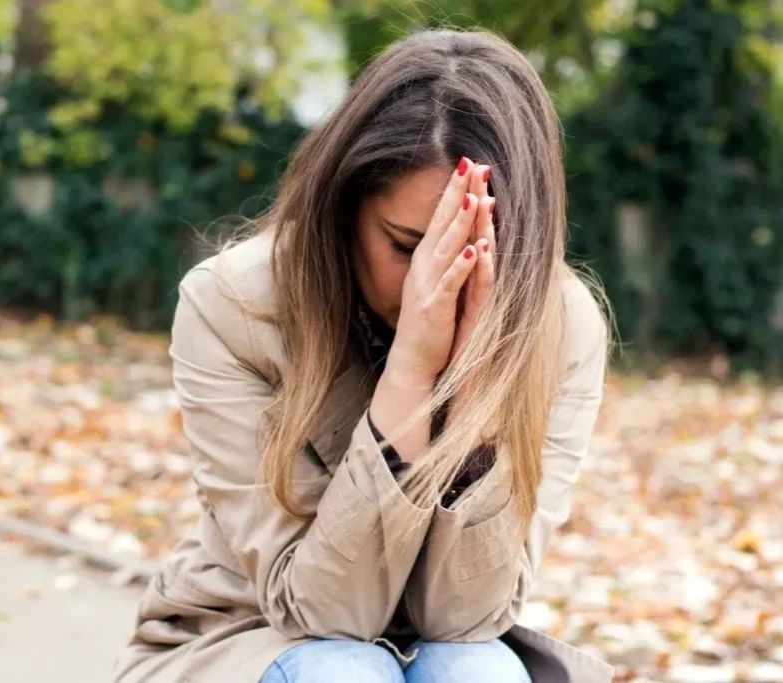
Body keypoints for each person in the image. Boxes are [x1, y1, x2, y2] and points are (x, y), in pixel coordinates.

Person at [113, 28, 613, 683]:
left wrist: (476, 388)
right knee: (341, 672)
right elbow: (320, 609)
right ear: (346, 205)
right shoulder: (232, 303)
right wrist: (409, 376)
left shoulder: (562, 323)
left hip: (444, 646)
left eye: (472, 256)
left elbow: (469, 618)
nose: (431, 287)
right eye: (407, 246)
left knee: (477, 671)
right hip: (247, 634)